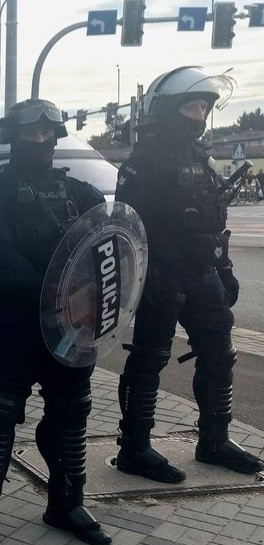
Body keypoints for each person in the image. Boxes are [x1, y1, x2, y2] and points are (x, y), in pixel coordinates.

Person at [0, 99, 110, 545]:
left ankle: (67, 503)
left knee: (71, 412)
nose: (42, 140)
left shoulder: (83, 194)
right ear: (14, 137)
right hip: (15, 319)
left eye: (49, 133)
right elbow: (0, 258)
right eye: (33, 134)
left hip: (71, 323)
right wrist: (58, 292)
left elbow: (108, 252)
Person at [113, 66, 262, 485]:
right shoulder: (142, 164)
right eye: (192, 106)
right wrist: (147, 274)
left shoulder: (200, 157)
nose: (199, 115)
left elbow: (215, 220)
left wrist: (225, 266)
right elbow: (127, 228)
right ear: (168, 111)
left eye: (204, 107)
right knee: (149, 359)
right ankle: (134, 448)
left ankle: (214, 440)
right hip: (162, 274)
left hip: (202, 272)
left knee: (220, 352)